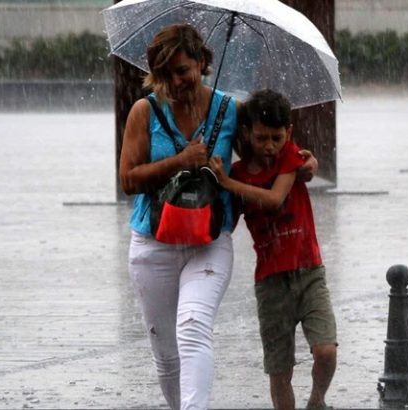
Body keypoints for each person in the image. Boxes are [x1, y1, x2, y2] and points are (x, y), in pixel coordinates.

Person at [119, 25, 318, 410]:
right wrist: (179, 161)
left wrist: (306, 162)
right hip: (153, 243)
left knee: (192, 326)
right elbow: (128, 179)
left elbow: (271, 150)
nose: (176, 82)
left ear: (203, 63)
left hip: (209, 242)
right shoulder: (145, 111)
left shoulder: (230, 110)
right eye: (166, 75)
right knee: (166, 354)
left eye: (183, 71)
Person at [209, 89, 338, 410]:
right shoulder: (238, 173)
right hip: (270, 284)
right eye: (261, 138)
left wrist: (225, 182)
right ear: (246, 134)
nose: (269, 146)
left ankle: (316, 401)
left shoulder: (290, 157)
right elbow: (227, 223)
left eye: (277, 138)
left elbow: (274, 198)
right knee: (280, 370)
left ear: (288, 133)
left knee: (326, 350)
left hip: (309, 272)